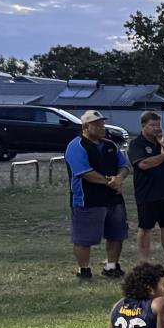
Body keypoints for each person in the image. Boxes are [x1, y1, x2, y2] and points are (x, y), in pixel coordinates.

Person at [64, 109, 128, 282]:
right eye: (97, 125)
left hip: (113, 198)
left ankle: (112, 266)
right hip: (88, 199)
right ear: (85, 127)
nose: (102, 128)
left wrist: (119, 178)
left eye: (102, 124)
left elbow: (124, 166)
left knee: (116, 234)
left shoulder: (110, 145)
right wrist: (111, 182)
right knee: (84, 238)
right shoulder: (76, 146)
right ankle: (83, 270)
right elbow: (85, 173)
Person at [127, 110, 164, 269]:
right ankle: (144, 262)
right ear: (143, 126)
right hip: (147, 193)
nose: (156, 128)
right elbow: (144, 164)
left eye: (158, 125)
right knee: (145, 228)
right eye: (152, 125)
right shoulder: (136, 143)